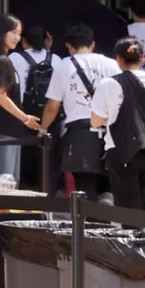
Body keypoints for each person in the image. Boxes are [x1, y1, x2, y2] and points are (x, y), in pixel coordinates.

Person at [39, 25, 117, 202]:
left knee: (84, 182)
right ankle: (107, 201)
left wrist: (43, 129)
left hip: (80, 132)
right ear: (93, 44)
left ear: (69, 46)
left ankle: (91, 215)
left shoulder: (64, 66)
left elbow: (52, 106)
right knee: (108, 178)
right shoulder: (112, 65)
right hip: (110, 130)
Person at [88, 37, 145, 211]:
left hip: (121, 149)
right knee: (141, 203)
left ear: (118, 59)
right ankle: (139, 228)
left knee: (127, 205)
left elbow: (96, 121)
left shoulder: (109, 83)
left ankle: (134, 229)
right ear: (142, 57)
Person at [0, 15, 42, 178]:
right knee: (1, 183)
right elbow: (0, 96)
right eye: (13, 32)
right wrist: (25, 118)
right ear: (2, 32)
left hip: (2, 130)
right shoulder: (2, 61)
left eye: (19, 33)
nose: (17, 37)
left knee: (4, 183)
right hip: (1, 131)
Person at [8, 23, 55, 189]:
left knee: (25, 156)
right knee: (48, 158)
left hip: (23, 113)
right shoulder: (56, 59)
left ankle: (25, 187)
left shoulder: (14, 58)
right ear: (46, 40)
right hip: (51, 114)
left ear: (23, 40)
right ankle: (48, 189)